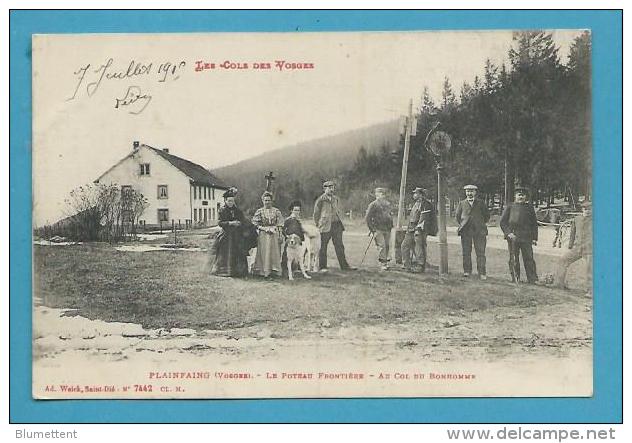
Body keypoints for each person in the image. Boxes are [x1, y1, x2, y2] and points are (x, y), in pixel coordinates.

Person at [313, 180, 356, 272]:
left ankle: (344, 266)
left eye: (332, 187)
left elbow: (339, 210)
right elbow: (316, 214)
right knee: (323, 246)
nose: (331, 189)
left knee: (339, 246)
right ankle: (323, 267)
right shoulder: (321, 200)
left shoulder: (336, 199)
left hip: (336, 225)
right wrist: (318, 224)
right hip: (325, 226)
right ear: (325, 188)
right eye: (329, 187)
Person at [500, 185, 539, 284]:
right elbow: (503, 222)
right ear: (515, 196)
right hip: (513, 237)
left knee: (529, 258)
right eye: (519, 195)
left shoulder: (529, 208)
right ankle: (515, 278)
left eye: (523, 195)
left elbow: (534, 224)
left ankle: (532, 279)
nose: (521, 197)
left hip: (526, 237)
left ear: (526, 197)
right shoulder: (510, 206)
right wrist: (508, 233)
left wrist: (534, 238)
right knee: (514, 258)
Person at [554, 200, 592, 294]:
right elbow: (572, 234)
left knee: (590, 269)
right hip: (577, 248)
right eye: (585, 208)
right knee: (563, 260)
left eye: (589, 209)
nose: (587, 211)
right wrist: (570, 246)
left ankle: (591, 291)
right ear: (582, 209)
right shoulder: (577, 219)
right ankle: (559, 284)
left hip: (590, 249)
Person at [212, 189, 253, 277]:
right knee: (225, 250)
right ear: (225, 201)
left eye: (232, 201)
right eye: (229, 201)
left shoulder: (238, 211)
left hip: (237, 235)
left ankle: (239, 271)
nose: (231, 203)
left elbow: (243, 220)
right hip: (226, 234)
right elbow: (220, 223)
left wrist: (240, 223)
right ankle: (224, 271)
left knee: (239, 251)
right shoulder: (222, 210)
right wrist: (230, 223)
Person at [455, 184, 490, 279]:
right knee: (466, 252)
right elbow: (458, 217)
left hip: (479, 231)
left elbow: (487, 216)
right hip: (466, 231)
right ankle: (467, 271)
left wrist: (479, 223)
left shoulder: (481, 203)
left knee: (480, 252)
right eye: (468, 191)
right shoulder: (462, 203)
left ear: (475, 192)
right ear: (465, 193)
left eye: (471, 191)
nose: (469, 193)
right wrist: (464, 223)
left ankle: (482, 273)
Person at [401, 187, 435, 273]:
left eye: (415, 193)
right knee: (405, 245)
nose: (414, 195)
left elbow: (423, 218)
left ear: (421, 195)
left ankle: (420, 266)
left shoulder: (426, 204)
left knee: (419, 247)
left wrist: (418, 229)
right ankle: (406, 265)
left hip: (420, 229)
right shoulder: (416, 203)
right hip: (411, 228)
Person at [251, 191, 284, 278]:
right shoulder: (260, 211)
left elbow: (280, 223)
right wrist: (264, 228)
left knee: (274, 252)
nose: (267, 202)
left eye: (269, 200)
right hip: (264, 234)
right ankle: (264, 271)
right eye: (265, 200)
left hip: (274, 233)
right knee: (264, 252)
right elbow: (255, 223)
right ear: (262, 201)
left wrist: (279, 234)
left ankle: (274, 270)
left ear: (272, 201)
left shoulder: (276, 211)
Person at [365, 187, 394, 271]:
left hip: (387, 228)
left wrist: (391, 225)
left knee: (387, 245)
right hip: (378, 228)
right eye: (378, 194)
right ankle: (383, 263)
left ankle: (386, 262)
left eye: (382, 194)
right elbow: (367, 218)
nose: (381, 195)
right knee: (382, 246)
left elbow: (390, 215)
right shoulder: (373, 204)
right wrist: (372, 228)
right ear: (376, 195)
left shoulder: (387, 204)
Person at [282, 200, 306, 276]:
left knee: (300, 255)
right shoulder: (288, 220)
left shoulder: (299, 221)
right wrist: (287, 237)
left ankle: (298, 268)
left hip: (298, 243)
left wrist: (302, 240)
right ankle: (285, 269)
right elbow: (283, 230)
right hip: (290, 242)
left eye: (298, 210)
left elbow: (301, 232)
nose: (297, 212)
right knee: (287, 256)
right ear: (291, 210)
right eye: (295, 210)